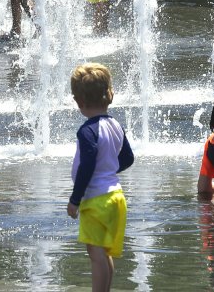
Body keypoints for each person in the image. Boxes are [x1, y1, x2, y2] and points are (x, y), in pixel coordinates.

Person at [66, 63, 134, 292]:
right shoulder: (115, 124)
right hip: (116, 197)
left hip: (96, 200)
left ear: (78, 101)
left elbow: (87, 164)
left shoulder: (87, 130)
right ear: (109, 95)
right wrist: (108, 171)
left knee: (95, 254)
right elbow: (128, 158)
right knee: (103, 253)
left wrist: (75, 199)